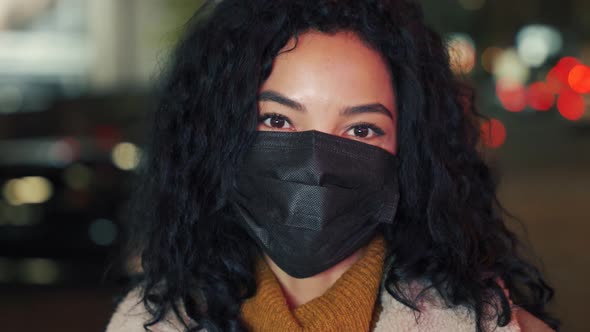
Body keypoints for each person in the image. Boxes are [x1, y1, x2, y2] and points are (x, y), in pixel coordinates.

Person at [106, 0, 559, 331]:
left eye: (361, 130)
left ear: (411, 154)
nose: (317, 166)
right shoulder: (144, 325)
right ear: (219, 136)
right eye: (278, 120)